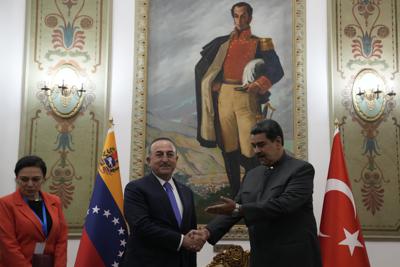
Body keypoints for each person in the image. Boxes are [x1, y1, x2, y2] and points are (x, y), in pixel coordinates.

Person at [195, 119, 322, 267]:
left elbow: (284, 205)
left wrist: (239, 209)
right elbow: (236, 207)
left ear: (278, 142)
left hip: (294, 259)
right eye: (253, 146)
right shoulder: (251, 175)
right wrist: (207, 232)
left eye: (261, 145)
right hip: (261, 259)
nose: (256, 151)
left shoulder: (301, 170)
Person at [195, 2, 284, 197]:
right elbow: (204, 69)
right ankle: (235, 196)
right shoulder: (222, 43)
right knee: (228, 148)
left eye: (243, 16)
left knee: (250, 149)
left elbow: (277, 71)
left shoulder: (261, 43)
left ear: (250, 18)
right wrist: (215, 84)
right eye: (236, 16)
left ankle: (252, 193)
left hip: (247, 98)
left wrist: (258, 84)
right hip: (224, 98)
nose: (239, 20)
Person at [122, 137, 202, 267]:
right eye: (159, 155)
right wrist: (181, 241)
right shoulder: (135, 188)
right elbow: (141, 226)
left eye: (170, 155)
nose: (165, 159)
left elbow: (190, 231)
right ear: (149, 160)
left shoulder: (186, 191)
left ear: (176, 160)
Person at [0, 155, 68, 267]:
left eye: (35, 179)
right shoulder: (5, 204)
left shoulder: (55, 201)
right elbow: (8, 246)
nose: (30, 184)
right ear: (16, 179)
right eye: (24, 179)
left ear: (44, 179)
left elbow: (61, 240)